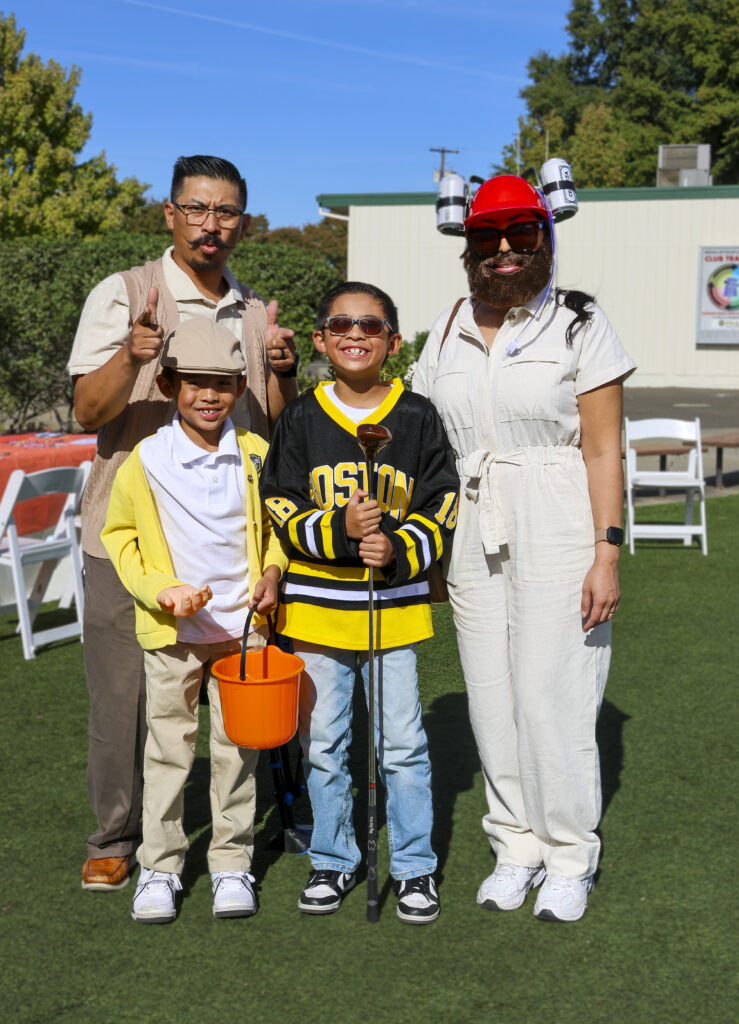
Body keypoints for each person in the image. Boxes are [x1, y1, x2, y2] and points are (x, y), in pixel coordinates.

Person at [68, 155, 297, 892]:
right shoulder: (126, 293)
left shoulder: (255, 311)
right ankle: (117, 836)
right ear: (169, 213)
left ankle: (244, 835)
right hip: (129, 533)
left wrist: (285, 372)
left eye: (225, 211)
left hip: (232, 541)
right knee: (124, 697)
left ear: (242, 222)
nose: (211, 224)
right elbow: (87, 411)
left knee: (238, 698)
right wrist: (130, 359)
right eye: (196, 209)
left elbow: (273, 431)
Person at [412, 175, 636, 923]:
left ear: (544, 233)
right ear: (466, 244)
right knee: (490, 694)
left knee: (554, 693)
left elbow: (604, 450)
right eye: (487, 236)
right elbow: (426, 441)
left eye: (521, 233)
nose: (504, 250)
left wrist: (606, 550)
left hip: (557, 512)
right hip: (472, 521)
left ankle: (569, 853)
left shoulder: (578, 321)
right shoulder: (443, 327)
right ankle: (515, 845)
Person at [261, 282, 459, 924]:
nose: (355, 335)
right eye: (340, 324)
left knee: (401, 744)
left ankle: (413, 866)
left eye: (370, 326)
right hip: (317, 613)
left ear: (393, 343)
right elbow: (278, 500)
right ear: (319, 338)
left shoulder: (418, 416)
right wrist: (336, 534)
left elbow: (443, 501)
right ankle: (334, 857)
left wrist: (399, 548)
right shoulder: (301, 418)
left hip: (391, 610)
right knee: (325, 743)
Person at [101, 319, 287, 922]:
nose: (209, 396)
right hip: (172, 634)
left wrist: (274, 575)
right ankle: (161, 868)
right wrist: (163, 590)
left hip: (243, 633)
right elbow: (120, 538)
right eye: (195, 383)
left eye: (223, 384)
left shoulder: (257, 454)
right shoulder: (145, 460)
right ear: (168, 383)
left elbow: (279, 529)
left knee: (238, 752)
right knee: (168, 752)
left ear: (238, 388)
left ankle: (231, 865)